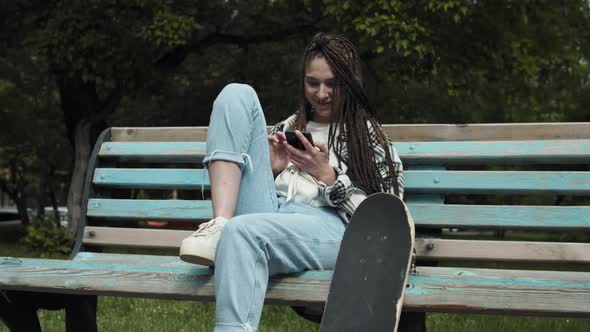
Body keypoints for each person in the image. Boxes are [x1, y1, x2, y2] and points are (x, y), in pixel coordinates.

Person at [179, 33, 413, 332]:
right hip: (274, 214)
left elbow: (388, 221)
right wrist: (274, 170)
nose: (321, 93)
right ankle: (220, 222)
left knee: (244, 232)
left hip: (333, 229)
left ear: (351, 84)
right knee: (236, 94)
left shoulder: (369, 137)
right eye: (312, 83)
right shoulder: (289, 126)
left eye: (333, 84)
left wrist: (328, 177)